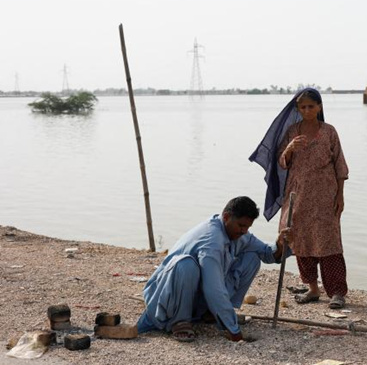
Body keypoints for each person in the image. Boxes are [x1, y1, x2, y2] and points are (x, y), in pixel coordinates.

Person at [136, 196, 291, 342]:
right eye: (241, 226)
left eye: (247, 227)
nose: (244, 231)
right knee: (186, 265)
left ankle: (211, 313)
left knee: (252, 257)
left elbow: (266, 253)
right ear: (226, 217)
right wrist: (233, 330)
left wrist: (280, 245)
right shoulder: (212, 242)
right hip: (170, 296)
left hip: (196, 295)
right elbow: (213, 288)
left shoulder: (239, 234)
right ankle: (180, 321)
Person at [249, 88, 350, 309]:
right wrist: (289, 148)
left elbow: (340, 165)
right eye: (303, 107)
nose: (307, 110)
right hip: (298, 194)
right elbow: (281, 163)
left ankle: (336, 292)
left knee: (330, 242)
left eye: (311, 106)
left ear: (319, 107)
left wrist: (340, 195)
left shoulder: (329, 131)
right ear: (297, 109)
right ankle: (313, 288)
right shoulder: (292, 131)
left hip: (325, 194)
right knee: (300, 239)